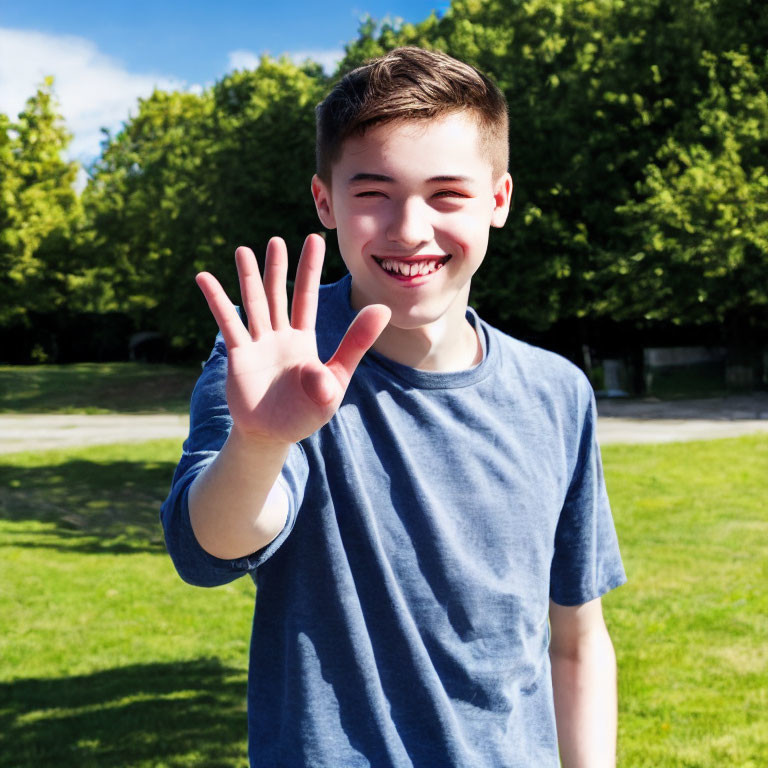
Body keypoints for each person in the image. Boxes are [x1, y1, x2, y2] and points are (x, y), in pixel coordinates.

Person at [161, 46, 626, 768]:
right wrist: (258, 443)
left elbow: (577, 640)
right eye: (374, 192)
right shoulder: (276, 359)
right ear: (326, 202)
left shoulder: (558, 392)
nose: (410, 228)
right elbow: (210, 548)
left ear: (499, 200)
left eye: (447, 193)